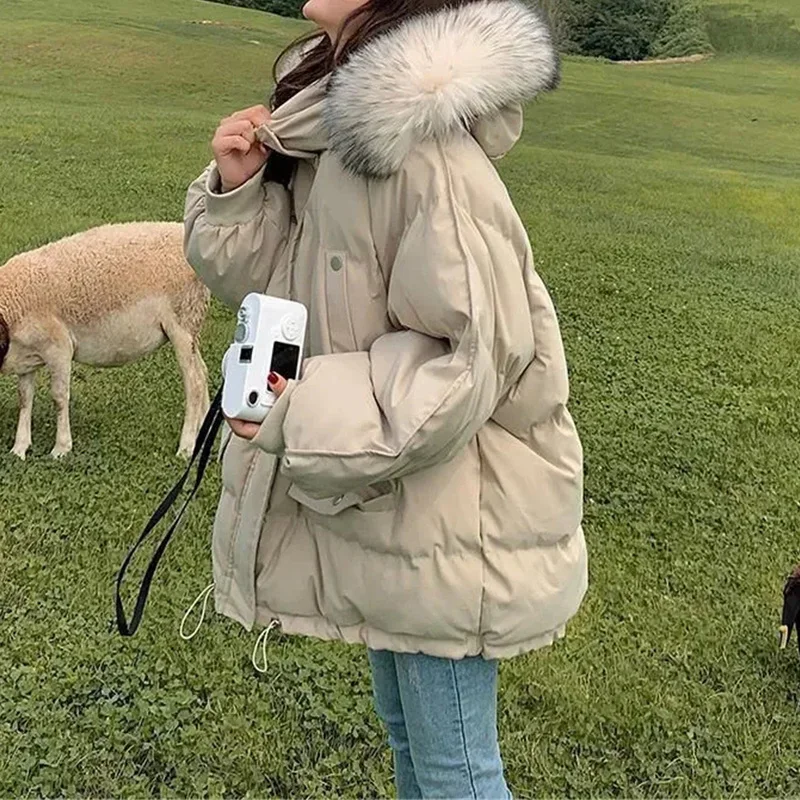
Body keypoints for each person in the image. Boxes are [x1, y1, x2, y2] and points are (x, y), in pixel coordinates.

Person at [184, 0, 587, 795]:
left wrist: (291, 407)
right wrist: (239, 189)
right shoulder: (325, 125)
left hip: (447, 520)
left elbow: (472, 360)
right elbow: (259, 278)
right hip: (392, 508)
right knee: (414, 747)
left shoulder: (424, 154)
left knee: (455, 772)